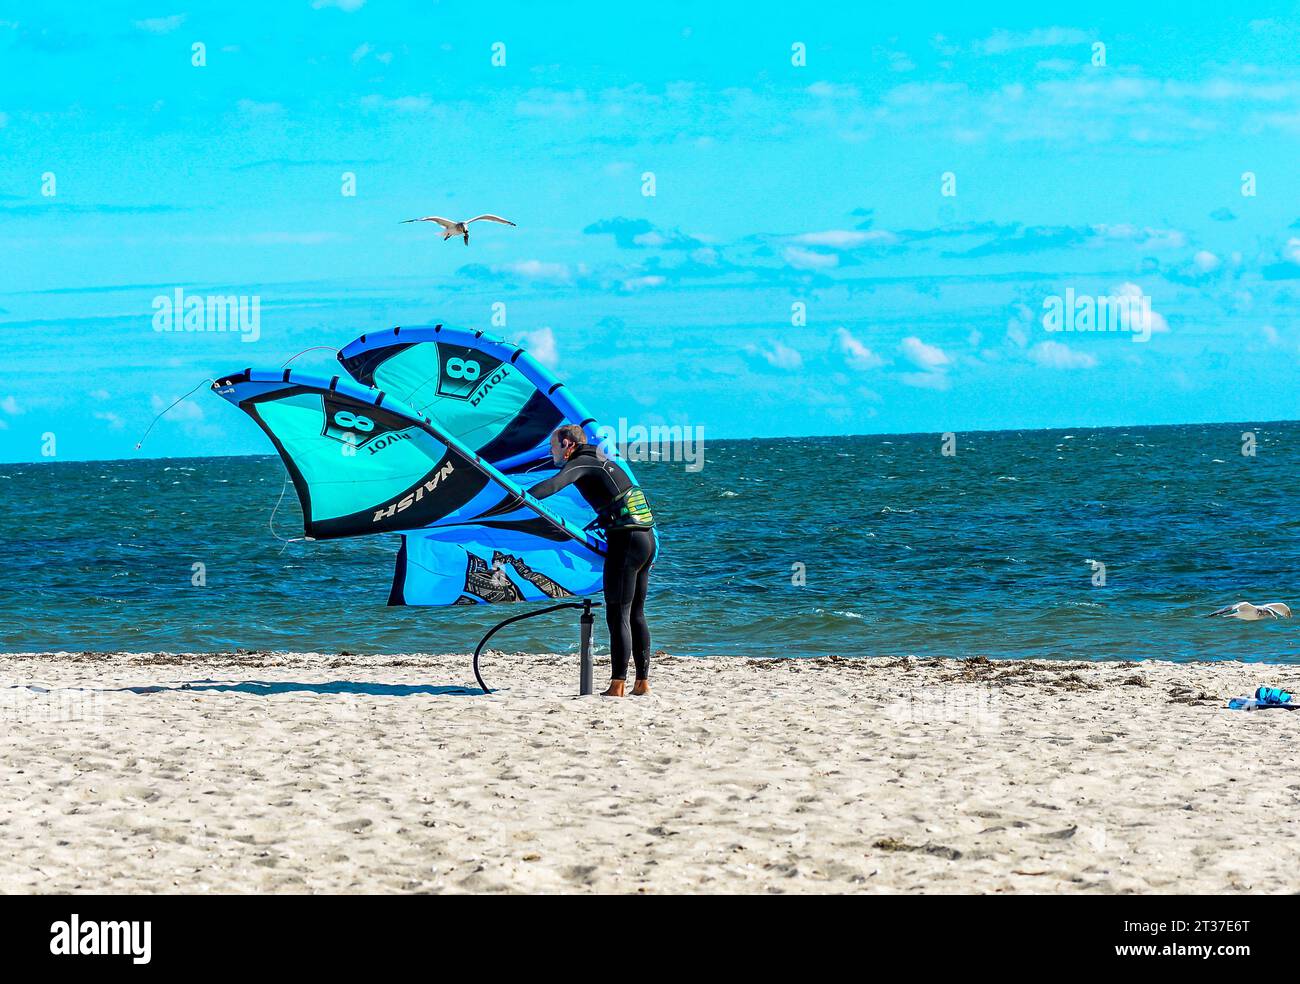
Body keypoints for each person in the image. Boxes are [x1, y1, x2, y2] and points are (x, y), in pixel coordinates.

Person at [528, 424, 657, 697]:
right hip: (646, 539)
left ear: (566, 445)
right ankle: (642, 683)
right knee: (635, 613)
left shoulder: (582, 462)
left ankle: (617, 685)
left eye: (553, 446)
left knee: (617, 613)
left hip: (626, 541)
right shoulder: (603, 459)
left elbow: (554, 484)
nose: (551, 451)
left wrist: (518, 498)